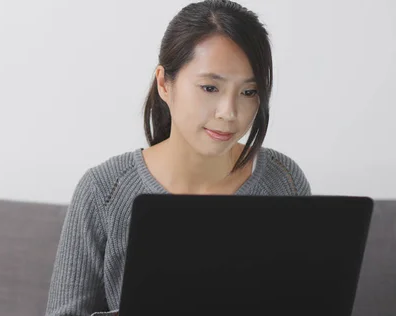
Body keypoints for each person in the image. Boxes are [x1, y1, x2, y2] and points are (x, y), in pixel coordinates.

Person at [45, 0, 311, 315]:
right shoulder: (104, 190)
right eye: (210, 87)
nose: (229, 113)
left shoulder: (283, 180)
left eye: (249, 92)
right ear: (164, 84)